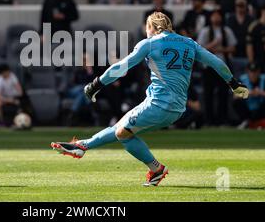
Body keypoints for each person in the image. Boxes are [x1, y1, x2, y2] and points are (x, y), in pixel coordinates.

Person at [51, 12, 249, 186]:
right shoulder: (189, 43)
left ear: (152, 27)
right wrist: (233, 83)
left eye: (147, 28)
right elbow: (216, 62)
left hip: (159, 104)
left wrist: (96, 84)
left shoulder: (150, 43)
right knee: (122, 126)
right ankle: (82, 146)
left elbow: (121, 67)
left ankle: (156, 169)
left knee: (122, 132)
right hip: (177, 108)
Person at [197, 9, 237, 125]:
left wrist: (219, 49)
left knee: (223, 93)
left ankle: (222, 118)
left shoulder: (226, 31)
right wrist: (214, 44)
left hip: (223, 66)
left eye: (218, 15)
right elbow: (199, 48)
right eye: (214, 15)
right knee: (208, 94)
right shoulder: (205, 31)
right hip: (208, 67)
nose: (216, 18)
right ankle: (209, 119)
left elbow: (233, 48)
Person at [234, 63, 265, 130]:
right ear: (248, 72)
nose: (253, 74)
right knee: (236, 102)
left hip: (261, 109)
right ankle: (245, 121)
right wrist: (249, 93)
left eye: (255, 72)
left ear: (259, 72)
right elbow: (235, 95)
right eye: (251, 72)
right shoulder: (242, 79)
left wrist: (261, 93)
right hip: (248, 109)